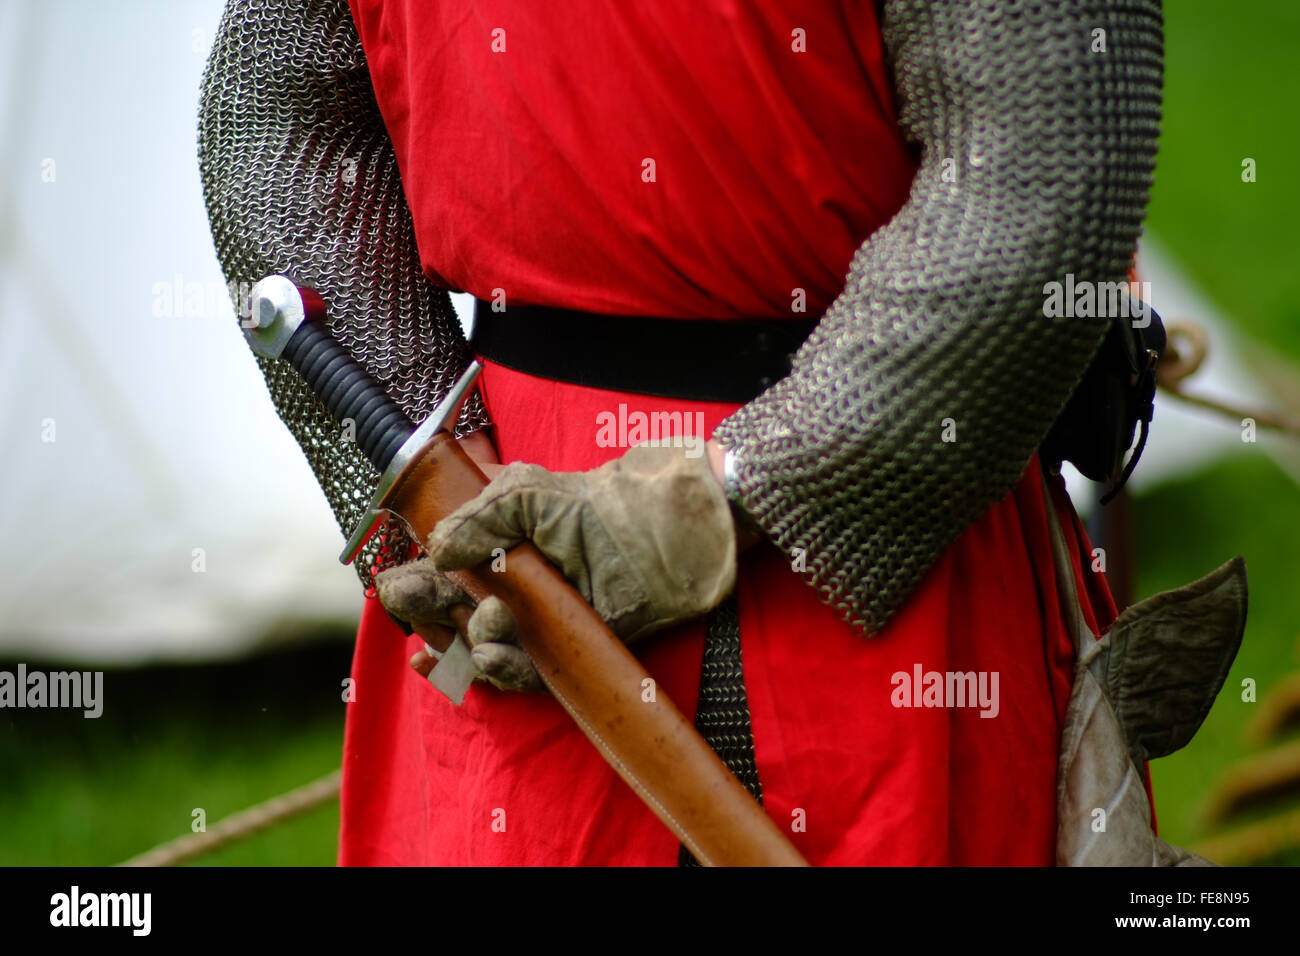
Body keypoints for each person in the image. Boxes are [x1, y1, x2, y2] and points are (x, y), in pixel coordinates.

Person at [200, 0, 1178, 865]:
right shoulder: (470, 507)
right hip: (502, 529)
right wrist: (439, 490)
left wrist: (731, 491)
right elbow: (283, 117)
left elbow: (1037, 179)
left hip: (879, 495)